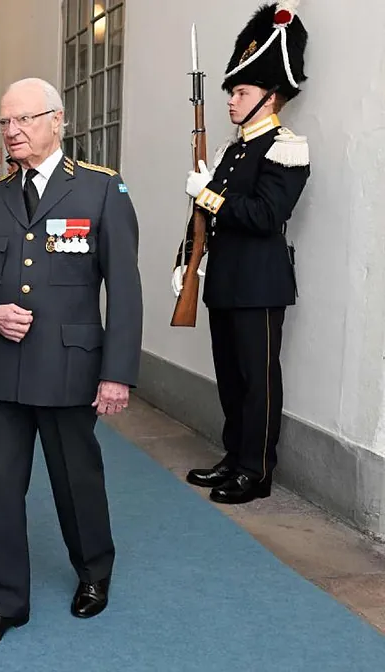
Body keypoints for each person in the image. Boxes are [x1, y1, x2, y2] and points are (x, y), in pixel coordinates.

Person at [0, 77, 143, 648]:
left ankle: (94, 570)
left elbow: (125, 290)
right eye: (5, 122)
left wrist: (117, 373)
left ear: (57, 121)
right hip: (4, 371)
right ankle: (8, 603)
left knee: (75, 480)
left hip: (69, 369)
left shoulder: (100, 190)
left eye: (24, 119)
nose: (12, 131)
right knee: (4, 493)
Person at [178, 2, 310, 505]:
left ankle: (257, 470)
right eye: (233, 92)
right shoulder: (231, 151)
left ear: (270, 97)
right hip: (225, 279)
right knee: (231, 378)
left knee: (259, 381)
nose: (232, 101)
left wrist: (209, 194)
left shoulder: (286, 147)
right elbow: (203, 218)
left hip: (259, 281)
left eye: (242, 93)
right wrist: (185, 261)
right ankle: (234, 456)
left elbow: (264, 214)